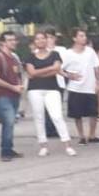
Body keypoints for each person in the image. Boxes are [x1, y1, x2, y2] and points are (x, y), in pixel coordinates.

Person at [24, 30, 76, 158]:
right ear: (34, 42)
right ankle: (43, 145)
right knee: (39, 117)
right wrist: (50, 69)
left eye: (43, 38)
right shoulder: (30, 57)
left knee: (57, 116)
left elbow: (56, 69)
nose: (40, 41)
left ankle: (67, 145)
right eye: (37, 39)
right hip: (35, 90)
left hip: (52, 89)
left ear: (47, 40)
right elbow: (31, 73)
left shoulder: (55, 54)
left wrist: (39, 72)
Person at [0, 31, 25, 161]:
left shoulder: (14, 58)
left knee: (10, 123)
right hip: (3, 95)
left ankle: (8, 148)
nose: (14, 42)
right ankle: (5, 152)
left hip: (14, 94)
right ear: (2, 43)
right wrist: (12, 87)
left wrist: (19, 86)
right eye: (10, 40)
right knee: (9, 121)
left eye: (14, 39)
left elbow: (17, 75)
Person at [61, 28, 99, 145]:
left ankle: (92, 135)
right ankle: (81, 136)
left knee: (93, 112)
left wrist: (98, 82)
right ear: (74, 38)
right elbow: (59, 68)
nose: (84, 38)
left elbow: (96, 67)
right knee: (77, 114)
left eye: (84, 36)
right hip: (75, 87)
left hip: (90, 86)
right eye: (81, 36)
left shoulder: (90, 52)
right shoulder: (68, 53)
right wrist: (69, 75)